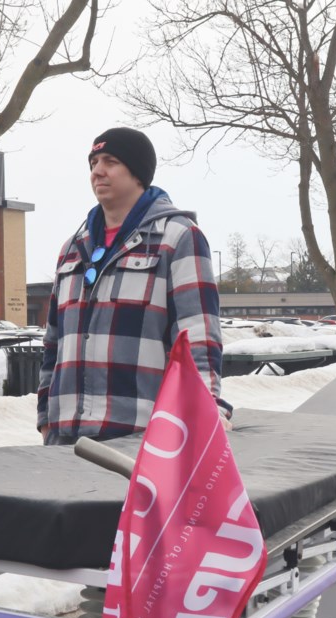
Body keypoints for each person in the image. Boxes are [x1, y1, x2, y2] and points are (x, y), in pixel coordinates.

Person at [37, 126, 231, 445]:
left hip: (141, 440)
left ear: (138, 173)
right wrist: (46, 418)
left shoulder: (179, 238)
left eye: (110, 161)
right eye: (93, 162)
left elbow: (198, 339)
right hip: (65, 442)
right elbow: (52, 344)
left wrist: (206, 412)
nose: (97, 171)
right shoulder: (72, 249)